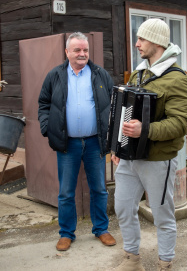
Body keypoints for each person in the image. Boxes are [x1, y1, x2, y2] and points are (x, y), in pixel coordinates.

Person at [112, 19, 187, 271]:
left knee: (162, 215)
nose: (136, 44)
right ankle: (132, 261)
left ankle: (165, 263)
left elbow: (181, 123)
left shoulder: (177, 79)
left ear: (157, 42)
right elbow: (125, 110)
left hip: (158, 159)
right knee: (123, 209)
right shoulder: (139, 74)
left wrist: (143, 130)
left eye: (141, 39)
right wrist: (118, 146)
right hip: (129, 157)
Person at [38, 32, 116, 251]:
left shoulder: (100, 74)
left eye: (85, 50)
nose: (82, 54)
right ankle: (66, 233)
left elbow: (113, 104)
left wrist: (110, 134)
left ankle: (101, 229)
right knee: (65, 192)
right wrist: (47, 128)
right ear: (67, 52)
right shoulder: (55, 75)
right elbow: (43, 103)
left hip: (94, 142)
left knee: (99, 189)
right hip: (67, 143)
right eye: (77, 50)